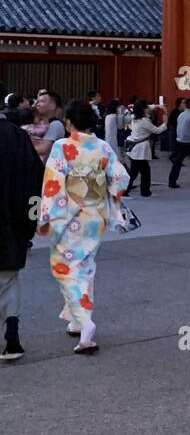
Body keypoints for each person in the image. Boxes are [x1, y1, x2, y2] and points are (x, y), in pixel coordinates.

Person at [37, 100, 130, 355]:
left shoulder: (62, 147)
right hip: (94, 216)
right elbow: (121, 178)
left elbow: (53, 186)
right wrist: (105, 195)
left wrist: (45, 218)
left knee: (65, 268)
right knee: (85, 266)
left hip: (68, 218)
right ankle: (76, 320)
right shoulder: (102, 147)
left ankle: (85, 323)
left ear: (68, 122)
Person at [0, 111, 44, 360]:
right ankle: (12, 335)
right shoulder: (17, 137)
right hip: (11, 223)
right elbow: (35, 180)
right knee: (8, 279)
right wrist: (31, 222)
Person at [124, 100, 166, 197]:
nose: (149, 108)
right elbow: (157, 130)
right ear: (143, 109)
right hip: (140, 149)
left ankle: (131, 190)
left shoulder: (134, 117)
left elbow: (147, 107)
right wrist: (165, 123)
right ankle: (143, 191)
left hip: (134, 147)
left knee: (137, 171)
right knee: (142, 171)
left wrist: (158, 106)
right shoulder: (144, 121)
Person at [25, 89, 65, 163]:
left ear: (52, 106)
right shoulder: (36, 123)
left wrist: (21, 148)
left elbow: (43, 148)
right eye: (37, 101)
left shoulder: (56, 124)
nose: (37, 104)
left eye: (42, 101)